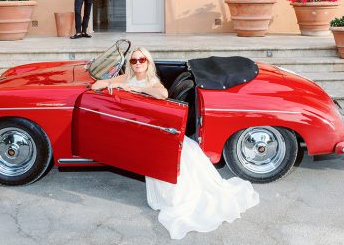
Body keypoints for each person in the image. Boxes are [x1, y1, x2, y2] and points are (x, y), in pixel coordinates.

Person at [91, 47, 259, 240]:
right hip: (137, 126)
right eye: (133, 61)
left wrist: (135, 88)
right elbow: (96, 86)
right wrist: (112, 84)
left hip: (152, 129)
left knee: (179, 180)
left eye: (142, 60)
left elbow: (162, 94)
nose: (138, 64)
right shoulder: (125, 77)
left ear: (148, 61)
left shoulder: (151, 79)